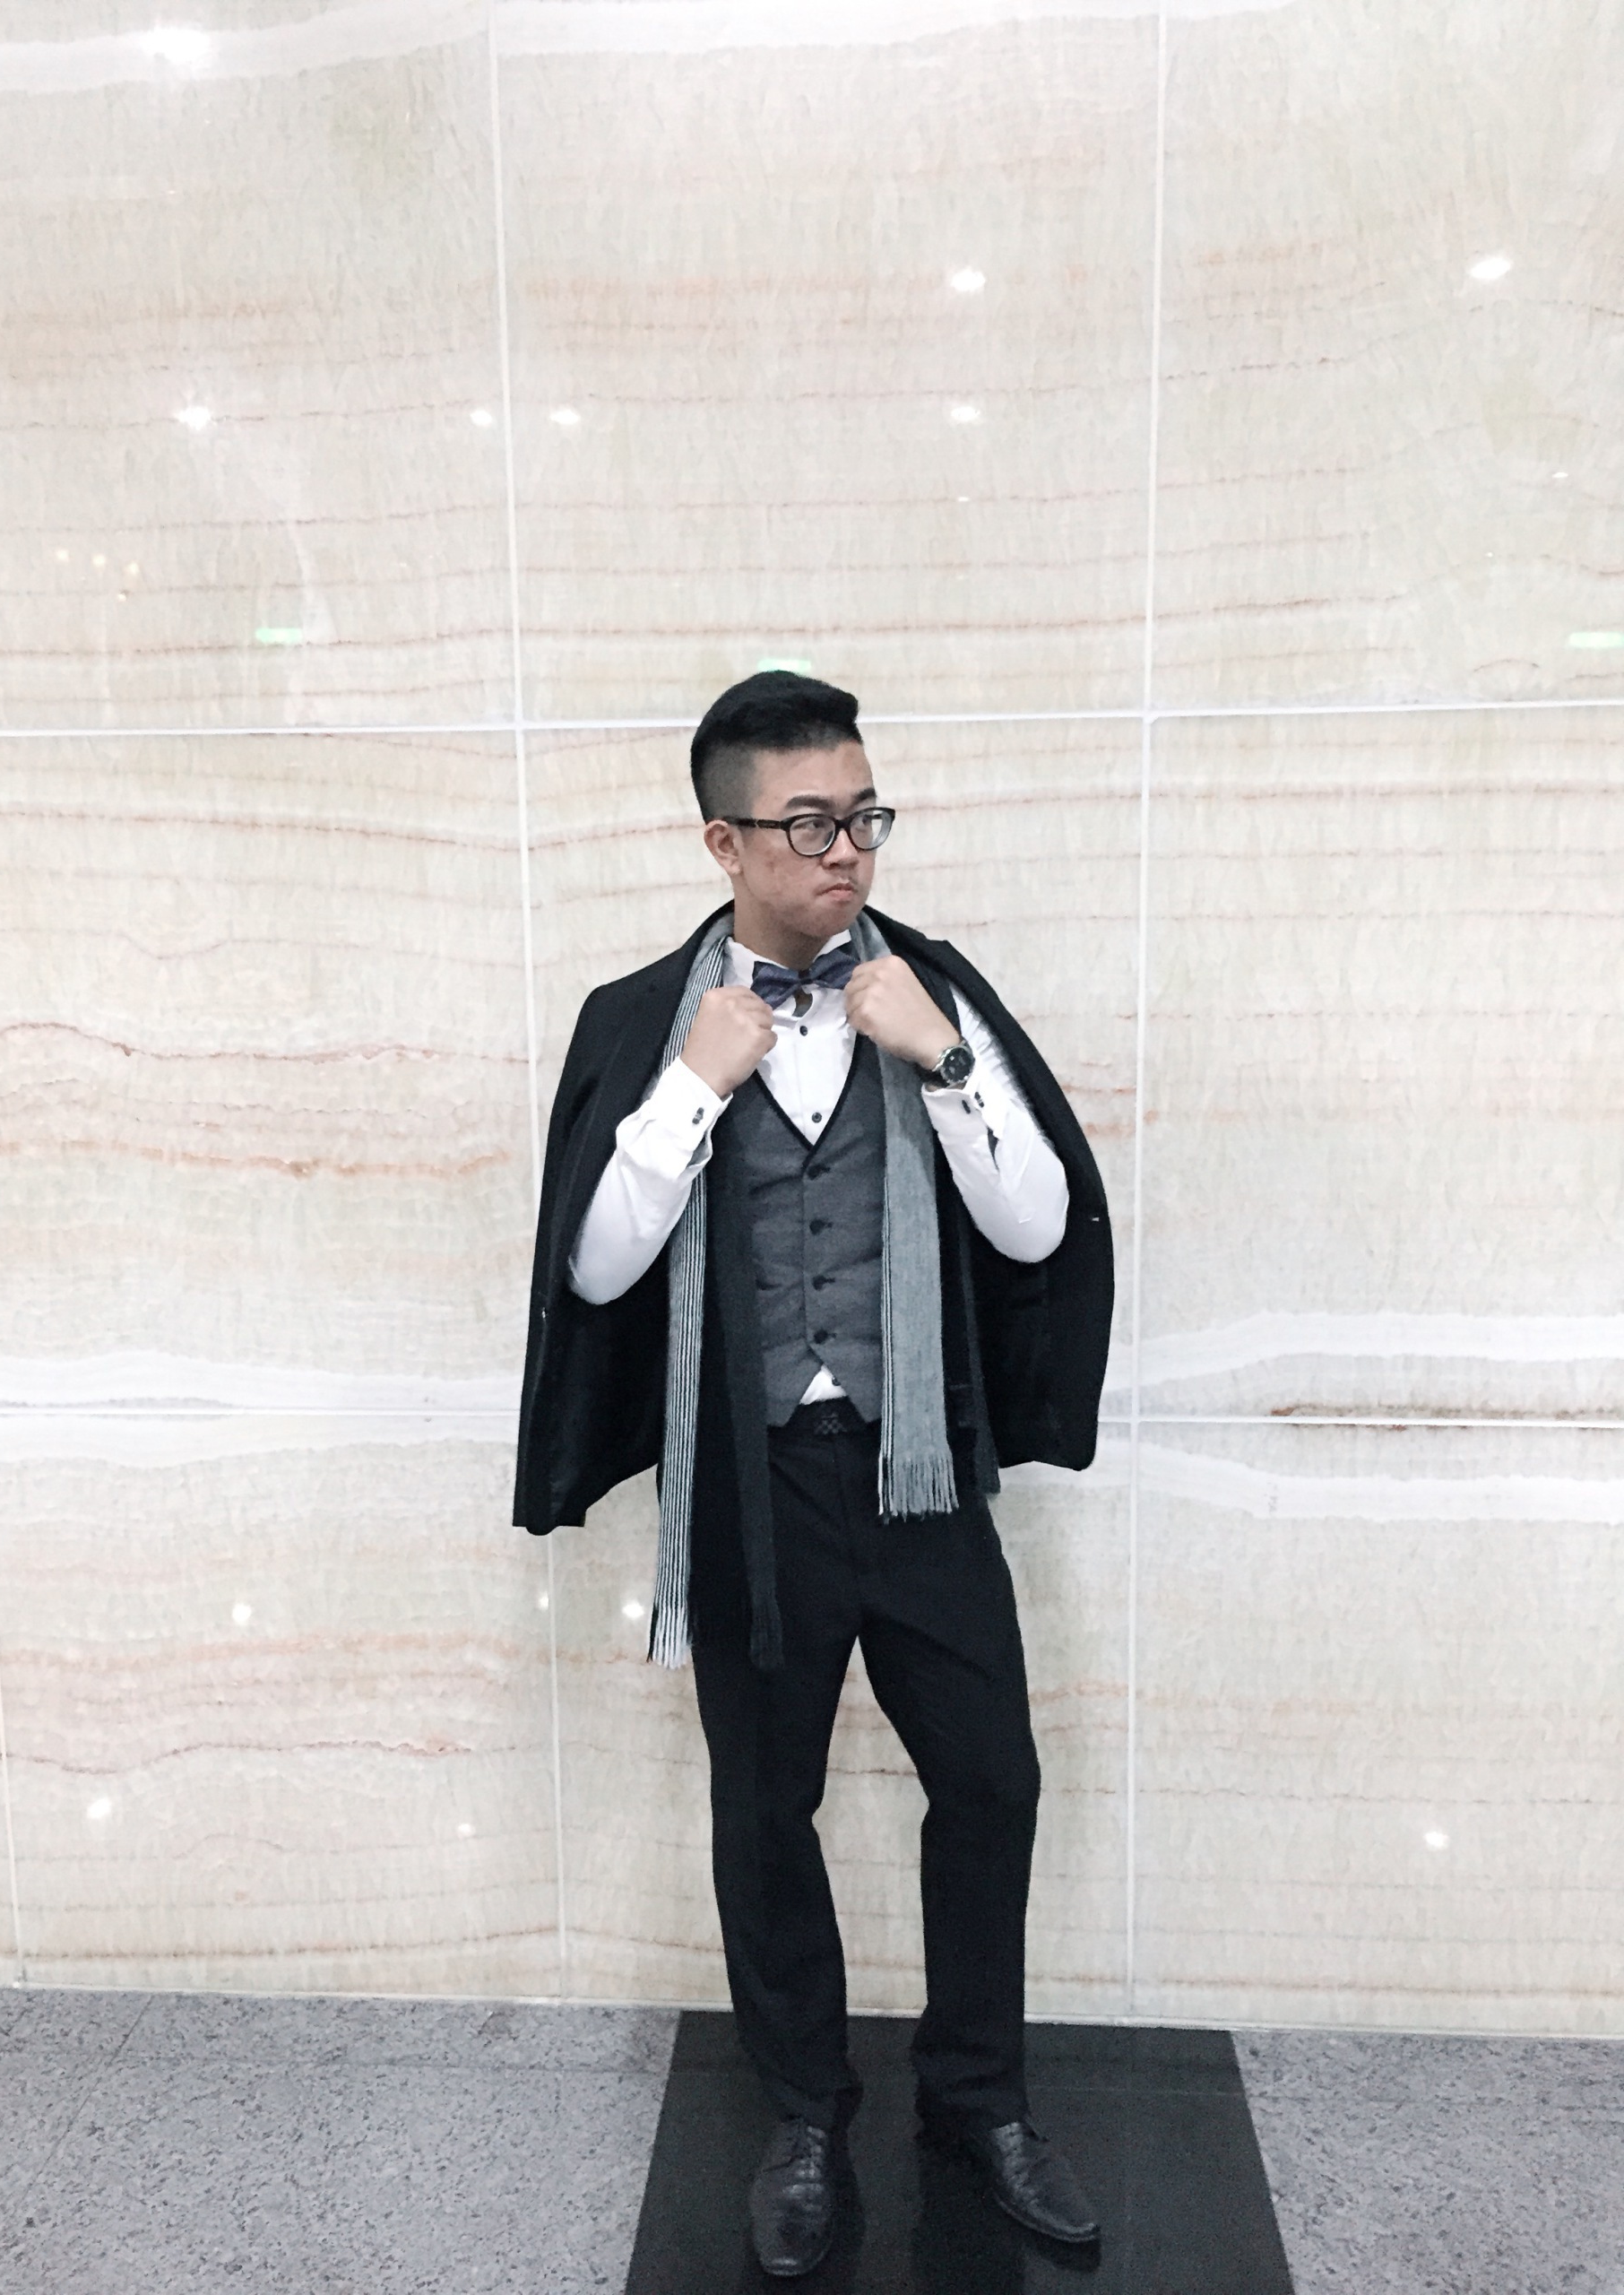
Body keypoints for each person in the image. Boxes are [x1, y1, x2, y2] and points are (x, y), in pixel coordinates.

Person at [514, 671, 1113, 2277]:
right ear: (723, 841)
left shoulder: (933, 989)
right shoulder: (643, 1020)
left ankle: (978, 2103)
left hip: (918, 1474)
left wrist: (944, 1060)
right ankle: (802, 2116)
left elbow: (1037, 1230)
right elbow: (595, 1267)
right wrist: (692, 1089)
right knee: (764, 1809)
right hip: (750, 1488)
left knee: (991, 1781)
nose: (847, 849)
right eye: (808, 824)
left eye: (863, 815)